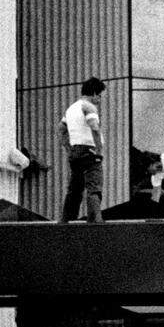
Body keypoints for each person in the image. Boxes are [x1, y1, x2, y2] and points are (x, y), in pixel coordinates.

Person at [58, 76, 105, 222]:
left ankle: (66, 220)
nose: (99, 99)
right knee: (94, 187)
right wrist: (99, 149)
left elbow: (61, 130)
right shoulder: (88, 107)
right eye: (99, 96)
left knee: (75, 188)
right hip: (89, 150)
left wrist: (68, 148)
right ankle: (95, 221)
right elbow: (95, 128)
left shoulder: (71, 108)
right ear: (94, 93)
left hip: (75, 152)